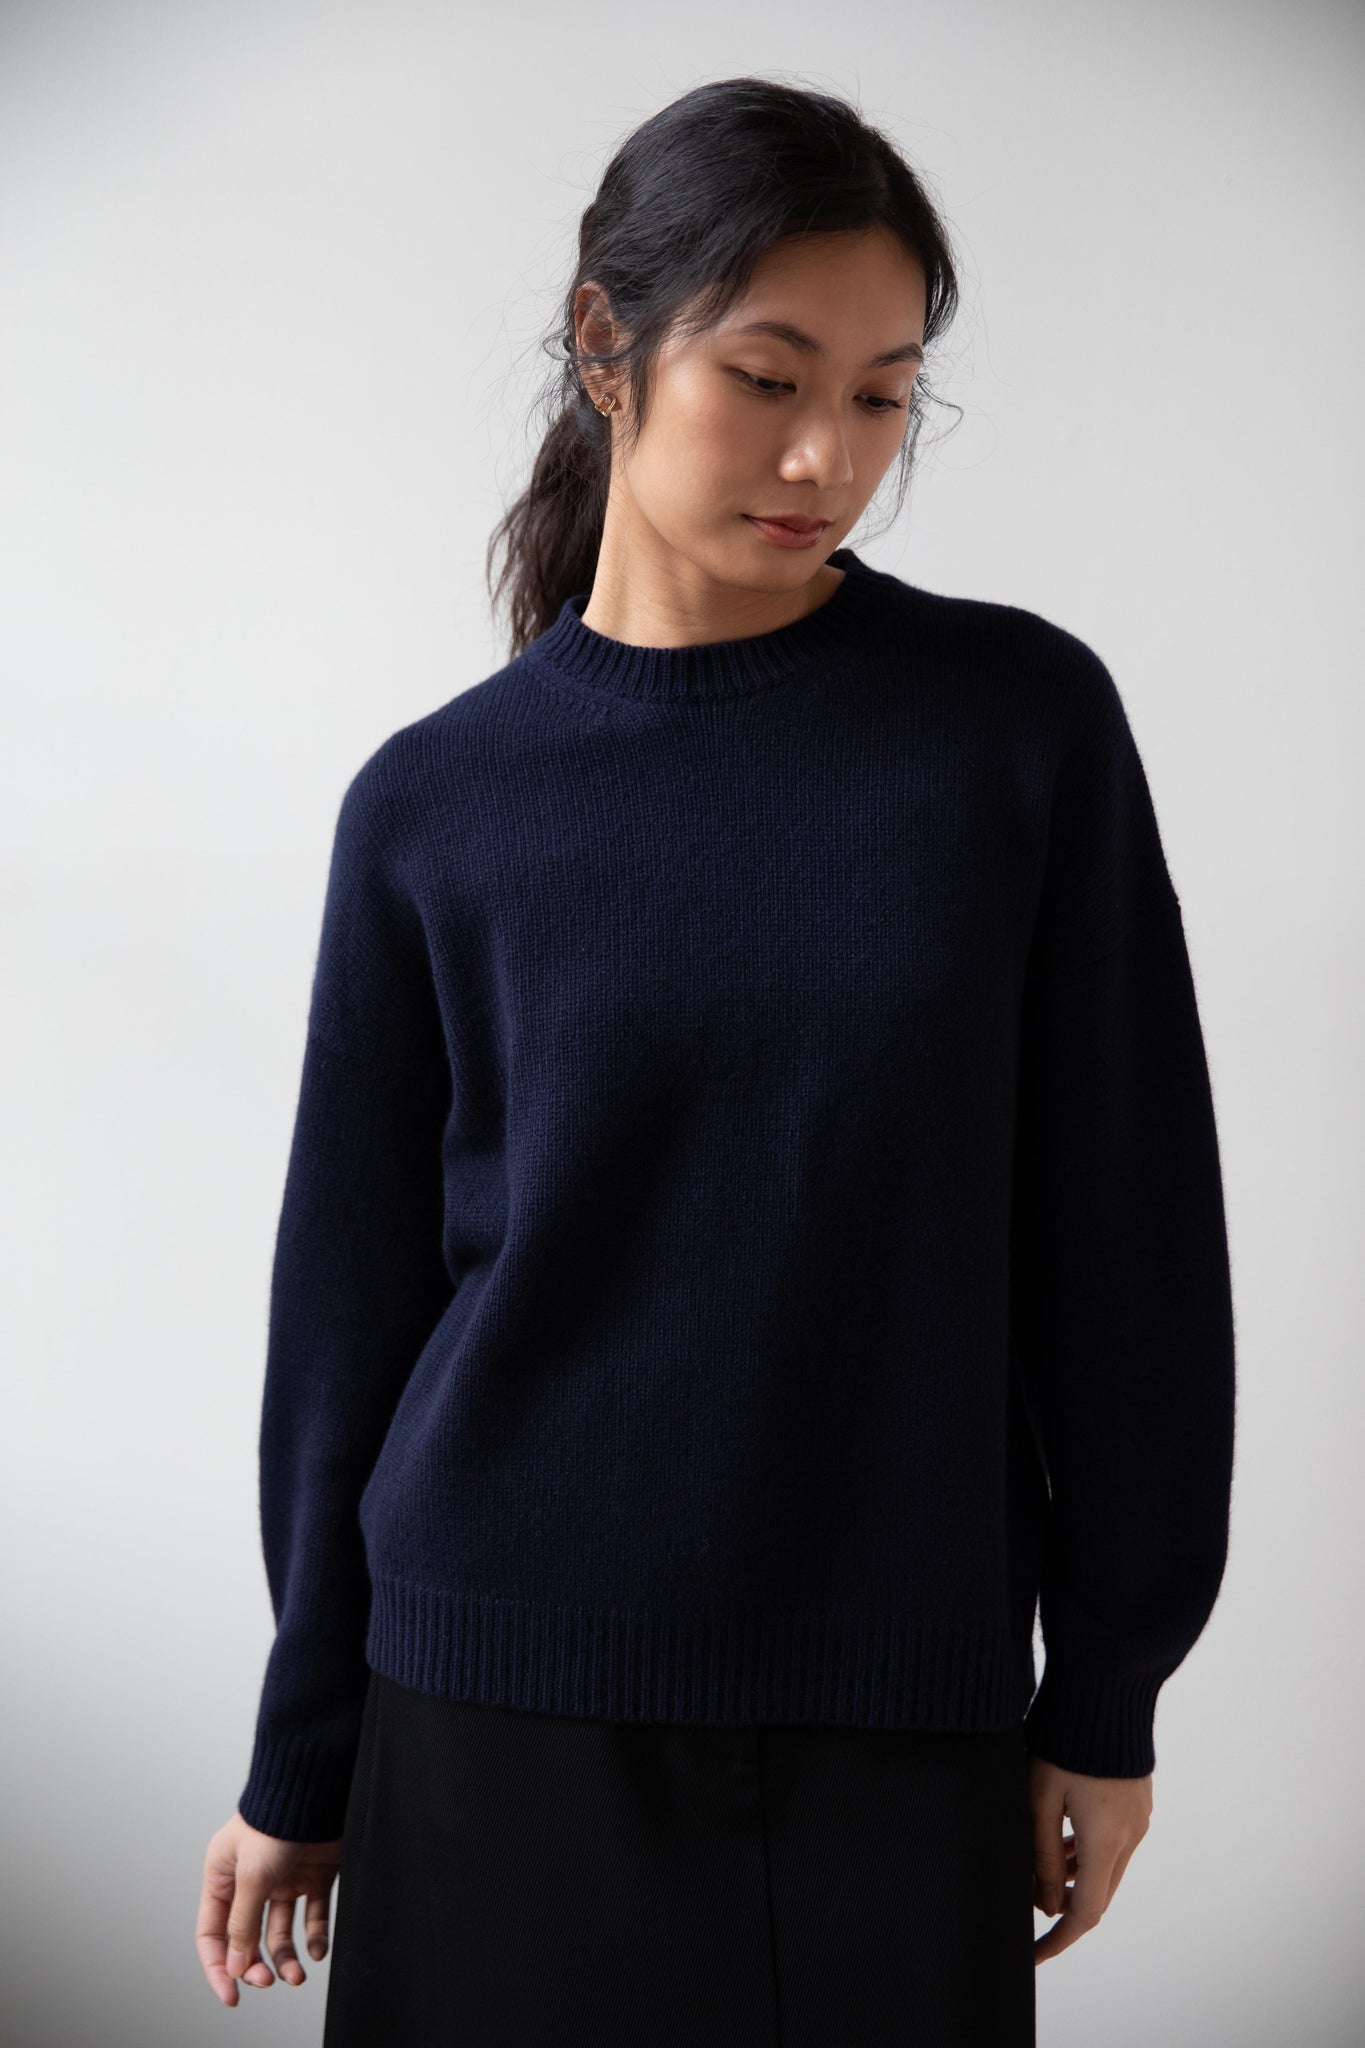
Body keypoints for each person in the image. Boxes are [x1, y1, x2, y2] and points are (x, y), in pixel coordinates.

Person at [195, 76, 1236, 2044]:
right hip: (485, 1722)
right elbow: (346, 1325)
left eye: (881, 396)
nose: (826, 455)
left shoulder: (1014, 734)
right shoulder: (434, 806)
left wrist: (1107, 1691)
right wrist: (302, 1749)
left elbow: (1128, 1249)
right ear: (607, 344)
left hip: (894, 1729)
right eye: (766, 378)